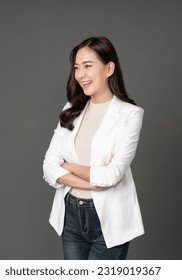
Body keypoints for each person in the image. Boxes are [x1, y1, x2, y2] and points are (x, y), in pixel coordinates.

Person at [42, 36, 145, 260]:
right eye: (77, 67)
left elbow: (111, 175)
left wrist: (68, 166)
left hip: (109, 217)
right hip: (70, 214)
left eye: (88, 66)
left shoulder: (130, 115)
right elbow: (49, 166)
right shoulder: (71, 109)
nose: (80, 75)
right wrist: (90, 184)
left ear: (109, 68)